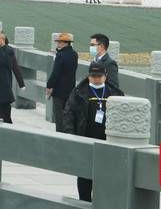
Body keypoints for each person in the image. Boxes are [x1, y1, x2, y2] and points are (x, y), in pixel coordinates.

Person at [61, 62, 125, 203]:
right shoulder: (78, 92)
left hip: (107, 143)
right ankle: (84, 202)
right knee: (85, 175)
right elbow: (68, 114)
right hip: (85, 139)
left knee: (106, 176)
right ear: (88, 76)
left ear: (105, 76)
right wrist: (70, 134)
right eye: (93, 76)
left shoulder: (114, 93)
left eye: (99, 76)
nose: (96, 79)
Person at [46, 32, 77, 131]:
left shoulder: (60, 55)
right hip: (70, 88)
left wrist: (49, 85)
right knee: (67, 113)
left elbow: (56, 73)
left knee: (59, 115)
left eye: (59, 42)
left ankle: (60, 133)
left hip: (59, 90)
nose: (58, 44)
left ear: (65, 43)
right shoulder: (74, 54)